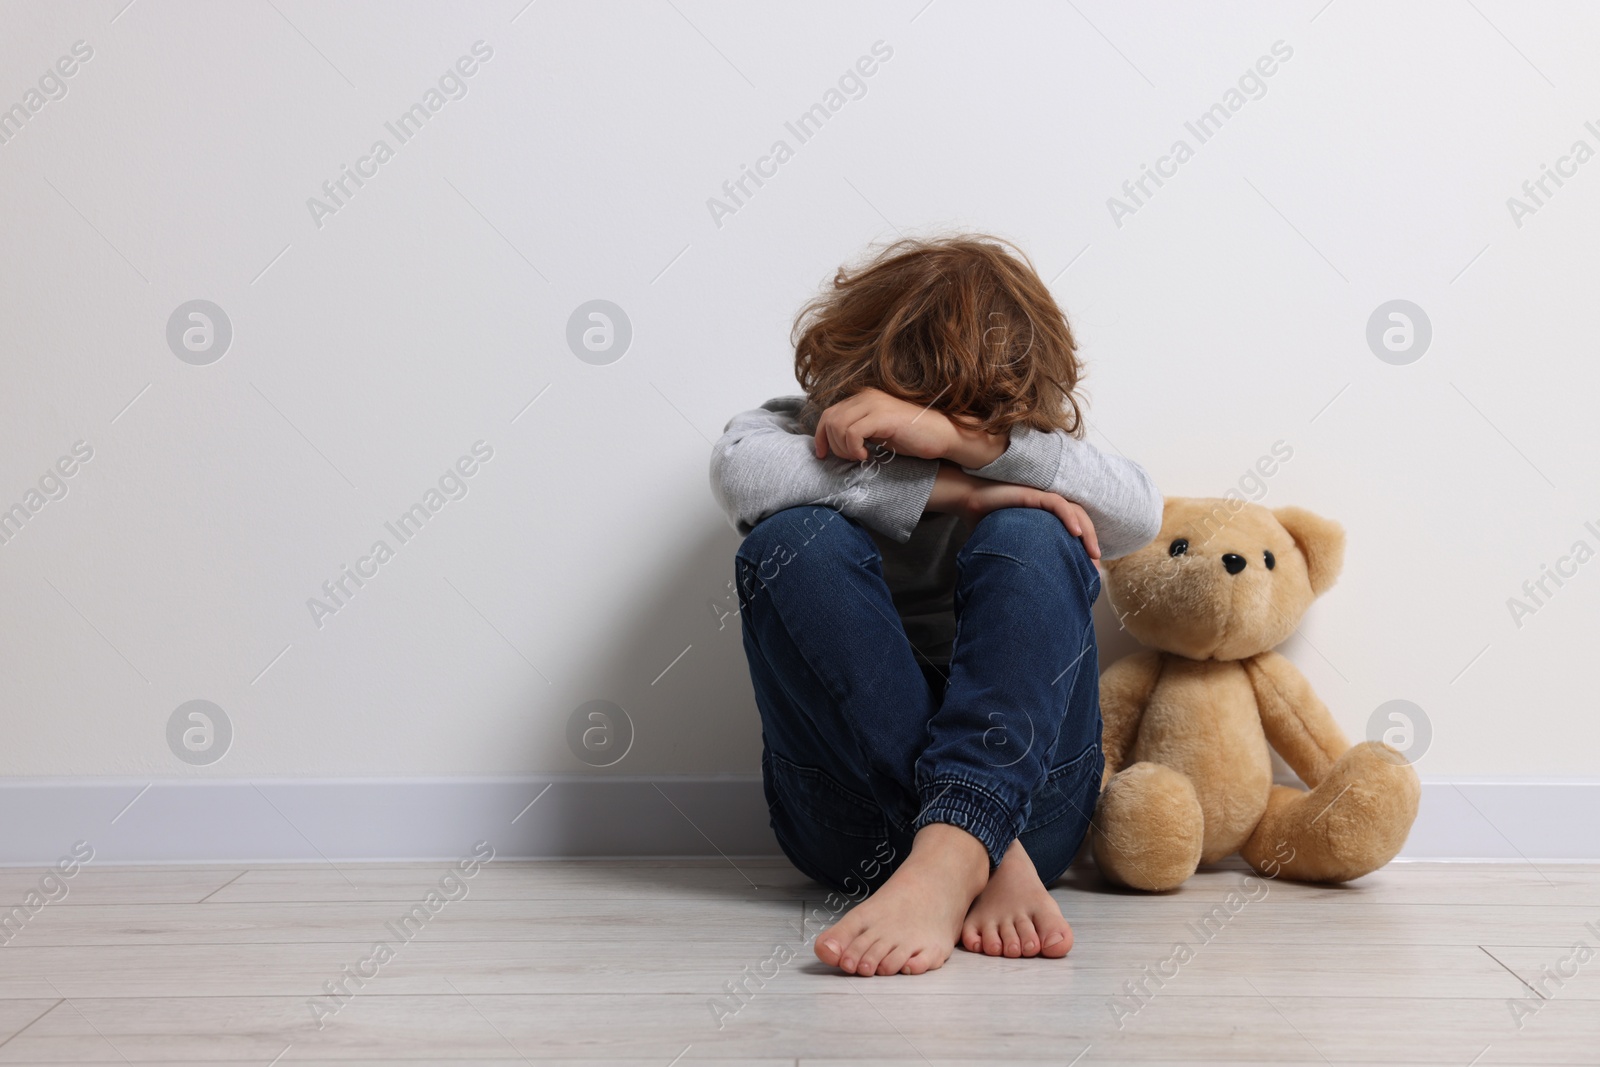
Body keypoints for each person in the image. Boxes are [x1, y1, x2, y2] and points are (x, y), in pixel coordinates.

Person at [708, 235, 1162, 976]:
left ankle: (955, 847)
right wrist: (962, 491)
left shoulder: (1029, 448)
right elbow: (743, 477)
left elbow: (1138, 513)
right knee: (791, 539)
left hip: (1039, 799)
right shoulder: (789, 430)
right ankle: (979, 844)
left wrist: (969, 444)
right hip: (850, 818)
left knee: (1034, 532)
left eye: (959, 413)